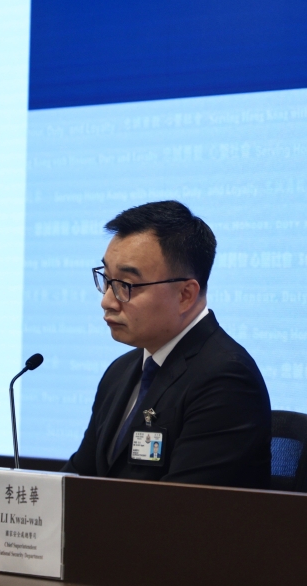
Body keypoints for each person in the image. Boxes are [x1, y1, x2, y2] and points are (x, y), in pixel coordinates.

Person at [64, 200, 271, 488]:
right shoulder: (120, 372)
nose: (107, 301)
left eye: (126, 285)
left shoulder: (226, 380)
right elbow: (79, 478)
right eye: (107, 280)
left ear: (185, 295)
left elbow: (180, 507)